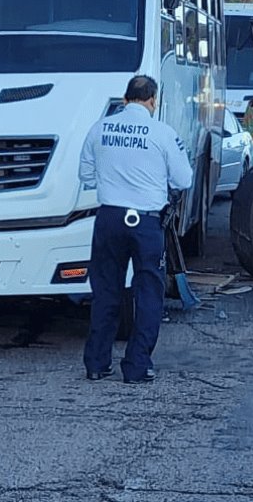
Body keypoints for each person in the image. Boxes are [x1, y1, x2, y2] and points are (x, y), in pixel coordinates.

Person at [79, 75, 193, 383]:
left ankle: (97, 364)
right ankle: (137, 366)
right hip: (146, 223)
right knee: (148, 294)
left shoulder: (99, 128)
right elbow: (184, 180)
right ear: (153, 100)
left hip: (108, 219)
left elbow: (85, 174)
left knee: (105, 292)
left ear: (126, 98)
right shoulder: (162, 133)